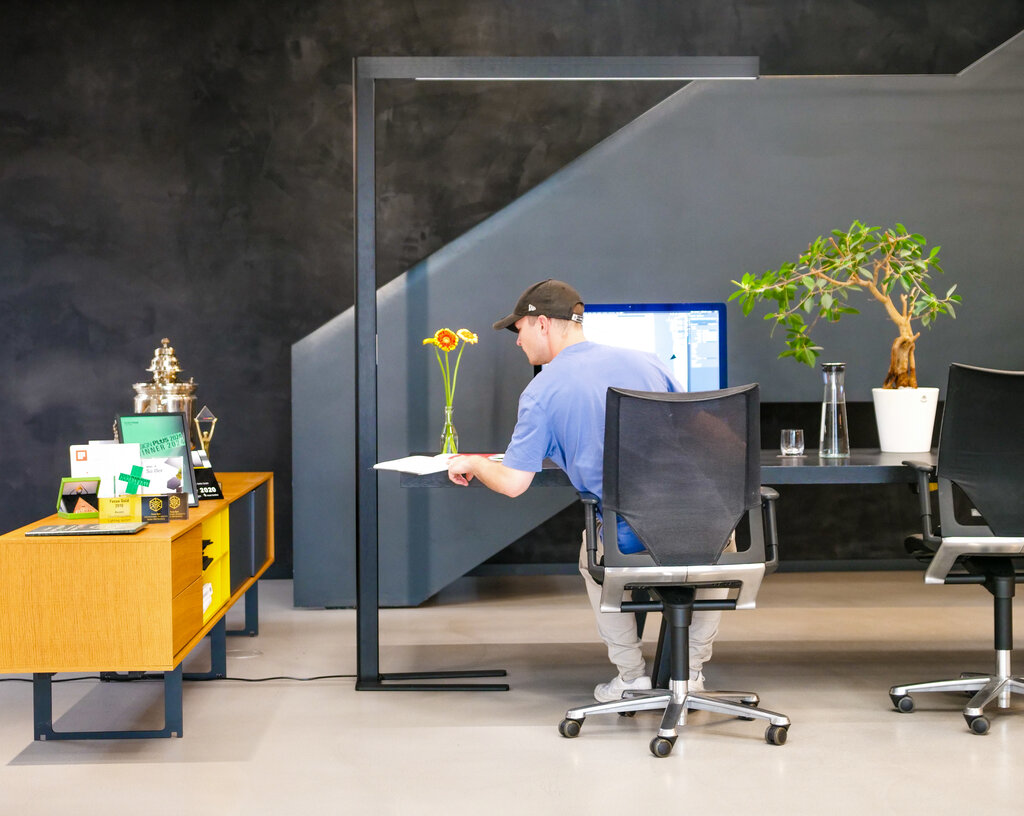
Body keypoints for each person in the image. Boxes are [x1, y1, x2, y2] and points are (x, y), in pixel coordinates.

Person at [446, 279, 722, 702]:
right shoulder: (649, 362)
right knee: (711, 557)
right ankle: (693, 674)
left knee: (591, 548)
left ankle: (631, 678)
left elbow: (514, 483)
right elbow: (694, 432)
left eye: (518, 330)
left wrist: (475, 462)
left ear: (542, 324)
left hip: (631, 534)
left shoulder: (542, 390)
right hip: (712, 524)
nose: (517, 342)